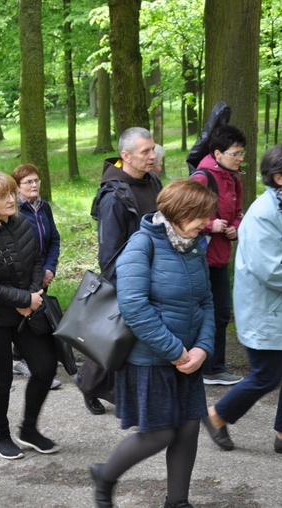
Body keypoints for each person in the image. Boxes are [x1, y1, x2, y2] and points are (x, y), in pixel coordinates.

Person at [90, 179, 217, 508]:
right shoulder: (142, 243)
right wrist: (175, 351)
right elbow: (134, 307)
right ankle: (106, 477)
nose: (207, 222)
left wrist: (203, 348)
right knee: (160, 432)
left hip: (190, 358)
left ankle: (177, 502)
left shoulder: (193, 247)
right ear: (179, 212)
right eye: (201, 215)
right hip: (150, 358)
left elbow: (206, 302)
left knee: (189, 429)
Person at [202, 145, 282, 457]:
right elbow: (272, 271)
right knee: (267, 375)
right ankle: (215, 416)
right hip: (269, 311)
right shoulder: (266, 213)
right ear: (281, 178)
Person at [0, 171, 58, 460]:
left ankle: (28, 430)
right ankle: (1, 437)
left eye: (11, 193)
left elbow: (36, 260)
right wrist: (24, 299)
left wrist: (32, 297)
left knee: (45, 368)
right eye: (3, 196)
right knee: (1, 377)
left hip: (26, 311)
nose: (11, 199)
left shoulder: (20, 221)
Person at [77, 127, 163, 415]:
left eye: (152, 149)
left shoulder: (151, 180)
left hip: (155, 270)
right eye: (145, 152)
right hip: (128, 276)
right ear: (125, 156)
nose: (153, 156)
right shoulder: (114, 197)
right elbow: (109, 253)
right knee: (118, 337)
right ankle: (90, 383)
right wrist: (125, 285)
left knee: (127, 338)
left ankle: (115, 390)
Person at [189, 125, 246, 386]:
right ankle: (199, 365)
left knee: (221, 312)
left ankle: (214, 368)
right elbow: (180, 214)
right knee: (200, 312)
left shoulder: (235, 179)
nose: (240, 158)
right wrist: (209, 224)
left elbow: (237, 212)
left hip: (221, 257)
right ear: (218, 153)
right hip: (197, 258)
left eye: (242, 153)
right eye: (235, 154)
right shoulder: (202, 178)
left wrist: (235, 226)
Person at [11, 164, 62, 390]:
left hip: (43, 275)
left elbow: (54, 240)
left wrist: (50, 268)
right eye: (28, 182)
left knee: (35, 320)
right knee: (30, 322)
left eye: (36, 180)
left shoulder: (44, 207)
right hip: (26, 276)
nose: (34, 185)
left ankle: (20, 359)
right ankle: (28, 365)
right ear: (17, 187)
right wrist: (37, 274)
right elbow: (19, 249)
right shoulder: (14, 211)